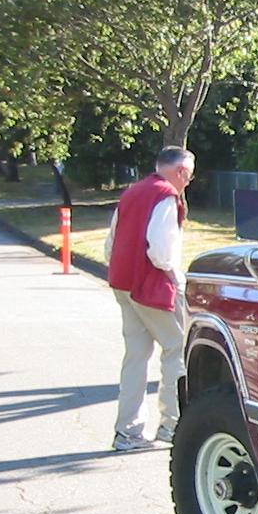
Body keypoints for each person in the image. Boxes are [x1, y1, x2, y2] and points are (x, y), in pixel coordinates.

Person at [105, 146, 194, 451]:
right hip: (151, 287)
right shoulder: (166, 195)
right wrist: (175, 279)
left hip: (124, 283)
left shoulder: (133, 191)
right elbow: (161, 250)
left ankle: (127, 431)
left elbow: (112, 240)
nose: (189, 181)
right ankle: (172, 426)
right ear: (181, 171)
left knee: (136, 357)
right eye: (190, 175)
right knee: (176, 351)